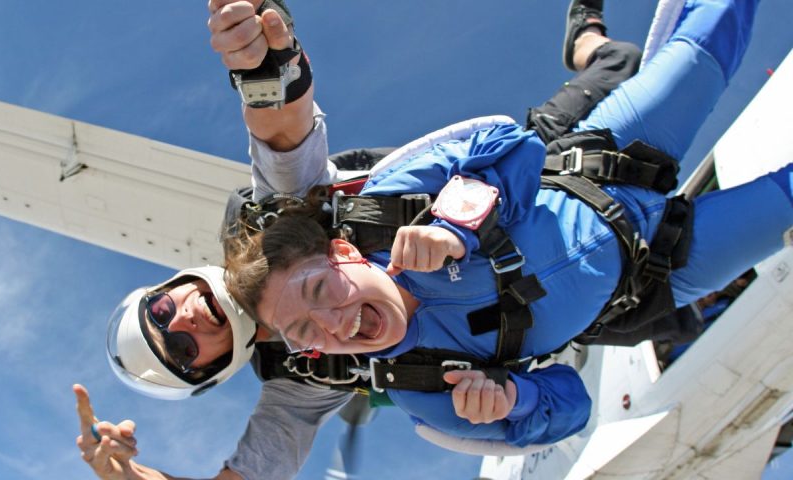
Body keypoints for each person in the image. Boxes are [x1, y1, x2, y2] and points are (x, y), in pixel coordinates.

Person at [76, 0, 783, 477]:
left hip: (559, 173)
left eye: (162, 311)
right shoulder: (323, 379)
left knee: (634, 66)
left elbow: (285, 147)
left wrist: (264, 71)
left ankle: (587, 42)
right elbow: (262, 464)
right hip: (646, 275)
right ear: (211, 372)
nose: (184, 323)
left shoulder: (276, 231)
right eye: (180, 350)